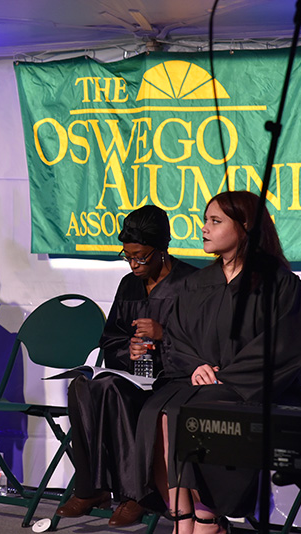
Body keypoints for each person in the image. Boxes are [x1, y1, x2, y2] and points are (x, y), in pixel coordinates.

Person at [134, 191, 301, 534]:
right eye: (205, 220)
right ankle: (182, 519)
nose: (204, 228)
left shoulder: (278, 284)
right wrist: (195, 365)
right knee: (157, 411)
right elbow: (176, 336)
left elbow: (284, 348)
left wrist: (227, 377)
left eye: (216, 221)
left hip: (256, 391)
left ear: (245, 228)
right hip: (199, 384)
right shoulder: (197, 283)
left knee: (194, 414)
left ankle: (206, 518)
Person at [56, 205, 198, 527]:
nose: (134, 264)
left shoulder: (191, 284)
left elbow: (205, 344)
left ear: (162, 249)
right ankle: (91, 488)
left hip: (173, 379)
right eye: (128, 256)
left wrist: (164, 335)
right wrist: (128, 350)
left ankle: (136, 495)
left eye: (141, 257)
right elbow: (111, 339)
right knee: (82, 386)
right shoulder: (128, 285)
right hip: (133, 375)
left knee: (110, 390)